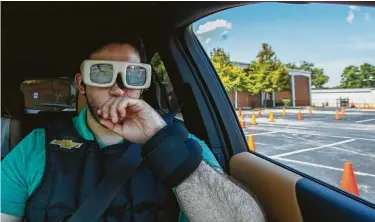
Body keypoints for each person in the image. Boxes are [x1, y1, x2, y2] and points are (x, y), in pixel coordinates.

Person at [1, 43, 265, 222]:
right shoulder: (36, 147)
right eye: (102, 73)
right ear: (81, 83)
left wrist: (161, 143)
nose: (118, 89)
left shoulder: (183, 146)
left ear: (143, 84)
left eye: (133, 75)